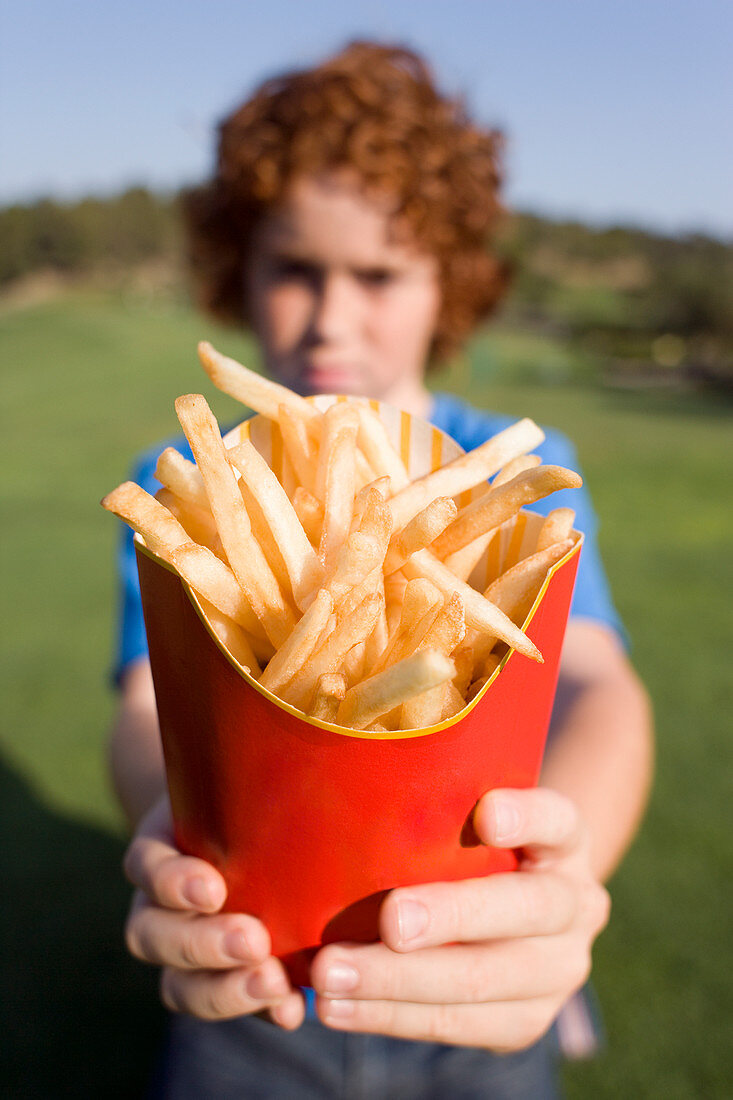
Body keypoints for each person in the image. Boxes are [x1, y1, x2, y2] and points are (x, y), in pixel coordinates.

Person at [111, 41, 653, 1098]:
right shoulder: (185, 485)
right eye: (293, 268)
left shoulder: (527, 476)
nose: (329, 317)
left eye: (377, 273)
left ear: (449, 279)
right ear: (238, 269)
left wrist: (564, 870)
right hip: (256, 978)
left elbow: (596, 681)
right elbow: (146, 702)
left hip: (473, 973)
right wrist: (166, 821)